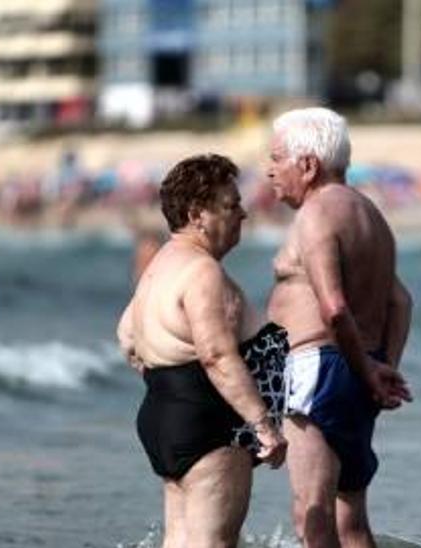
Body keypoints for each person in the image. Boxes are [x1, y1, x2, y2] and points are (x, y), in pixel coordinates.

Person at [116, 154, 287, 548]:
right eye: (230, 204)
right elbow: (216, 355)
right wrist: (263, 426)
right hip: (210, 424)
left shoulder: (161, 265)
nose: (243, 214)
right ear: (197, 214)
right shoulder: (202, 272)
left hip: (167, 415)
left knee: (180, 541)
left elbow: (127, 336)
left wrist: (172, 388)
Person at [266, 107, 414, 548]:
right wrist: (381, 365)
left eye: (277, 158)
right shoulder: (372, 216)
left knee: (310, 511)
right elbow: (400, 301)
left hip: (319, 368)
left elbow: (333, 308)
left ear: (308, 165)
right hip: (354, 368)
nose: (270, 170)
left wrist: (371, 373)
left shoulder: (316, 214)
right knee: (350, 519)